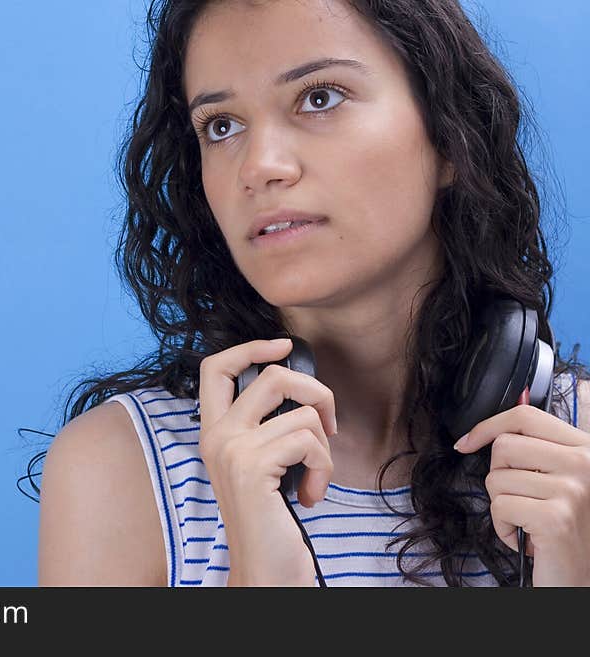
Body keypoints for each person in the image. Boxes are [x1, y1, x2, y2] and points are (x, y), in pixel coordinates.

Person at [33, 0, 590, 586]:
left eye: (320, 97)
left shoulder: (579, 450)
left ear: (450, 135)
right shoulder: (121, 472)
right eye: (221, 125)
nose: (260, 167)